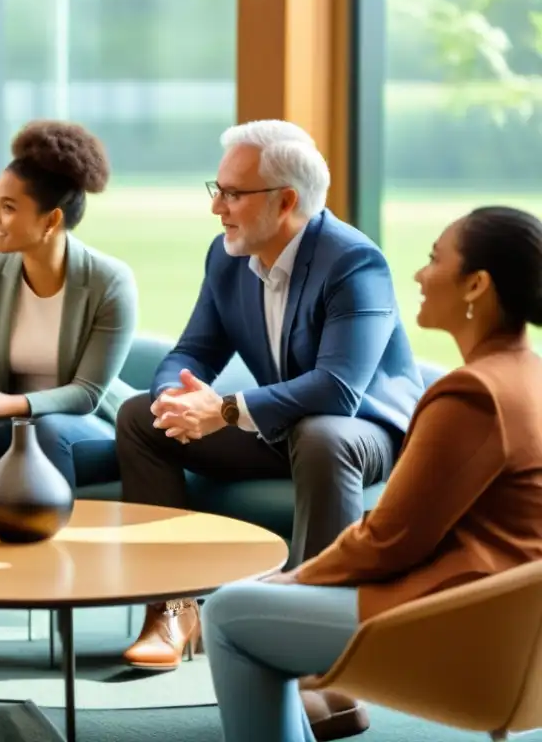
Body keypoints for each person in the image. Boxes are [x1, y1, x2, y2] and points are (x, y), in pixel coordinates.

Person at [201, 205, 542, 742]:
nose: (419, 275)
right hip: (514, 621)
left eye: (434, 260)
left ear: (476, 284)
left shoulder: (472, 394)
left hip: (465, 616)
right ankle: (319, 703)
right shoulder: (529, 375)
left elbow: (388, 542)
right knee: (250, 606)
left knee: (225, 613)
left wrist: (290, 580)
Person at [115, 119, 425, 671]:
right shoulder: (227, 255)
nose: (218, 208)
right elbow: (193, 351)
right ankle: (173, 609)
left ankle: (312, 629)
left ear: (285, 202)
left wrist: (227, 409)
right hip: (283, 430)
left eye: (232, 194)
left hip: (364, 433)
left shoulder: (354, 261)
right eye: (217, 191)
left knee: (323, 433)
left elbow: (338, 389)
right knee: (142, 417)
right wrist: (174, 399)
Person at [0, 119, 137, 652]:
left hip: (86, 430)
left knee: (52, 432)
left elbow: (87, 392)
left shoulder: (109, 282)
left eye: (8, 207)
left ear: (51, 219)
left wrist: (8, 404)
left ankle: (54, 595)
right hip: (9, 421)